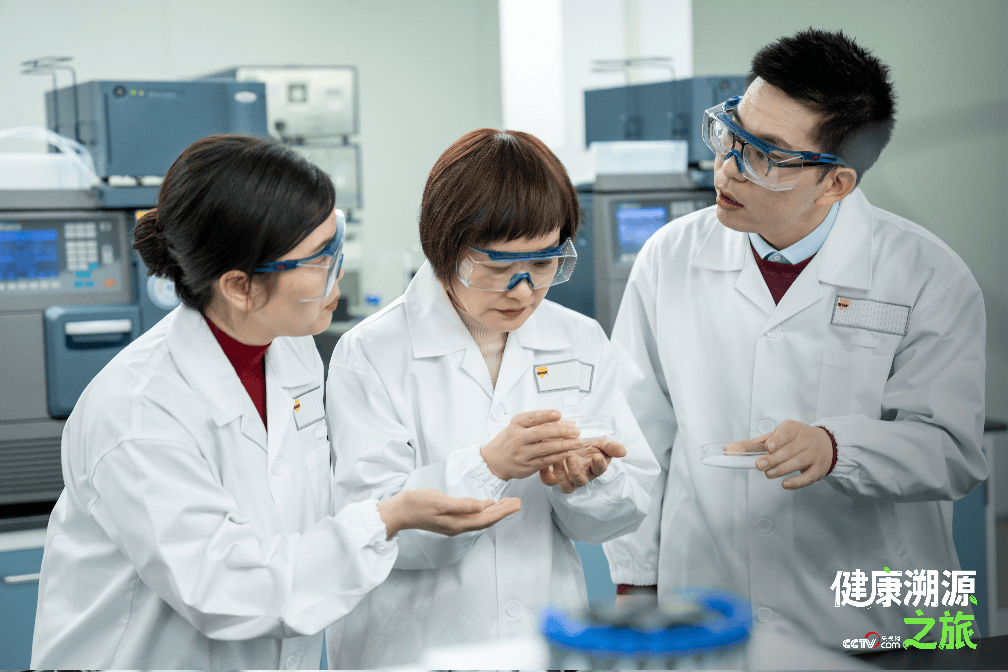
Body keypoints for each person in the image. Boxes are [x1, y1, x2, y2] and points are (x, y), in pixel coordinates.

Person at [30, 134, 521, 669]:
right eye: (320, 258)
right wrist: (386, 519)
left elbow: (295, 518)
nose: (339, 269)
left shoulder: (290, 349)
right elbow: (226, 590)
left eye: (337, 241)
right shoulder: (138, 413)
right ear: (239, 287)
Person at [603, 29, 988, 648]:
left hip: (874, 620)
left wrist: (838, 448)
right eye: (733, 135)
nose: (729, 167)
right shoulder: (669, 256)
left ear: (836, 183)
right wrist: (635, 586)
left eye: (767, 156)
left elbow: (952, 451)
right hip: (708, 610)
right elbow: (639, 435)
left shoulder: (926, 274)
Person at [324, 128, 660, 667]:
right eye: (500, 267)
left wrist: (589, 482)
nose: (523, 290)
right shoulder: (372, 352)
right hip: (415, 645)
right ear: (444, 249)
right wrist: (489, 466)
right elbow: (370, 529)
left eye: (544, 264)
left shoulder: (579, 340)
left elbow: (615, 518)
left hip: (543, 637)